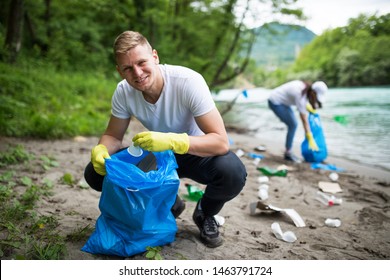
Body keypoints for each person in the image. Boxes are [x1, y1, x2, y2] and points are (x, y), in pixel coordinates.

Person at [84, 31, 247, 248]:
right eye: (128, 68)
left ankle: (205, 213)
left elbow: (220, 142)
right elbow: (114, 136)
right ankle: (168, 202)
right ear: (119, 71)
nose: (138, 73)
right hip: (157, 157)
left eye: (142, 62)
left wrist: (172, 140)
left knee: (233, 173)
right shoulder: (123, 91)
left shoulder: (188, 81)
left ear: (155, 57)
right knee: (95, 173)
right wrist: (101, 149)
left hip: (197, 152)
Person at [267, 80, 328, 163]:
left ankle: (288, 151)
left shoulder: (305, 89)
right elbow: (304, 120)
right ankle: (288, 153)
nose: (316, 100)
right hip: (275, 101)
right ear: (313, 93)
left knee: (293, 124)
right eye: (317, 97)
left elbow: (304, 105)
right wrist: (310, 137)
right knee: (293, 125)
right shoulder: (300, 94)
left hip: (284, 102)